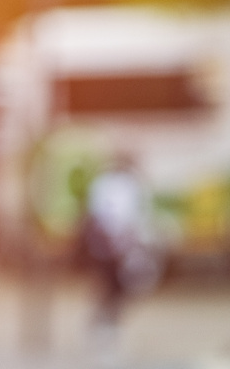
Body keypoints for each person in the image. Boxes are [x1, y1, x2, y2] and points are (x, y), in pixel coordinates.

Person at [78, 152, 159, 358]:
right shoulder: (112, 184)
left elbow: (136, 216)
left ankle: (105, 326)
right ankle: (105, 331)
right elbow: (107, 216)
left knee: (119, 289)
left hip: (119, 246)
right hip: (111, 246)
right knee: (112, 288)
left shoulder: (123, 184)